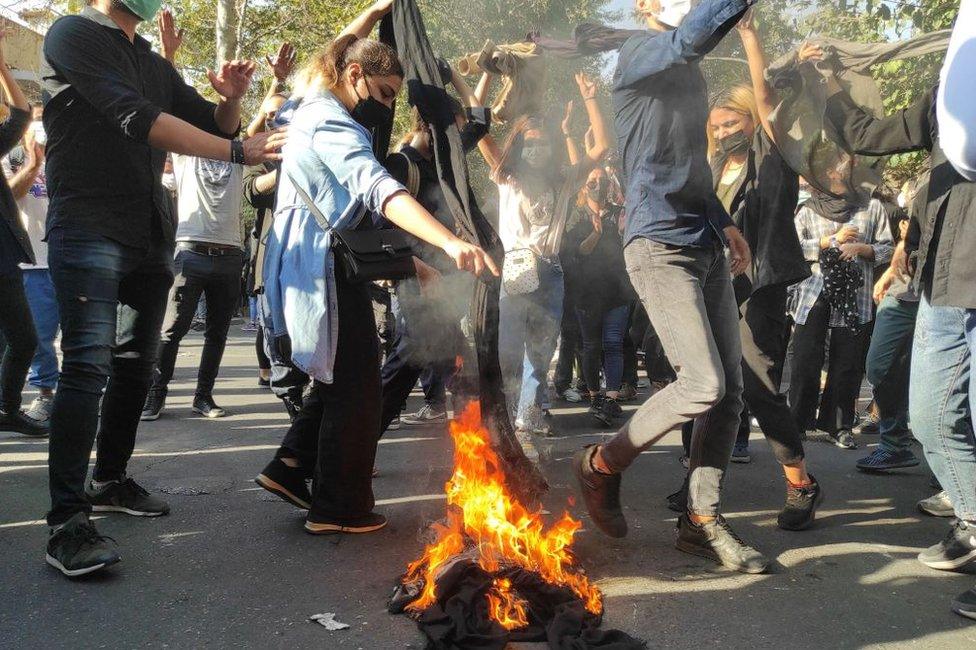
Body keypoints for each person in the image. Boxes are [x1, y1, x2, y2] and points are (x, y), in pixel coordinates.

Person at [40, 0, 283, 577]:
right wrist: (236, 151)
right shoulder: (73, 34)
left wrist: (229, 100)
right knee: (85, 368)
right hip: (89, 223)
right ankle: (66, 524)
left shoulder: (150, 59)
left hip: (149, 231)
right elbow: (136, 118)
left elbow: (212, 123)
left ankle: (110, 479)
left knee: (134, 363)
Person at [256, 15, 498, 535]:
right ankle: (338, 510)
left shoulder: (317, 105)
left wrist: (413, 263)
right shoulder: (330, 119)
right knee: (359, 387)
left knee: (343, 374)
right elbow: (377, 191)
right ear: (356, 74)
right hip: (321, 265)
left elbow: (337, 45)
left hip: (324, 259)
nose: (387, 107)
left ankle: (290, 468)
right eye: (385, 93)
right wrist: (449, 242)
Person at [573, 0, 766, 575]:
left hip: (703, 244)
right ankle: (601, 464)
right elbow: (691, 37)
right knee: (702, 383)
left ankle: (699, 521)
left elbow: (692, 170)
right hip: (658, 244)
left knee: (730, 392)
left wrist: (726, 224)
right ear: (646, 6)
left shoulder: (688, 70)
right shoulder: (639, 53)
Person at [820, 38, 976, 619]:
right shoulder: (952, 94)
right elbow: (869, 135)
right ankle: (971, 521)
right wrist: (832, 82)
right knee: (933, 419)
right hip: (943, 283)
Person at [670, 11, 824, 531]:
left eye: (731, 123)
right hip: (716, 282)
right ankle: (698, 486)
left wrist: (750, 37)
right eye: (716, 127)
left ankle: (800, 481)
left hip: (762, 283)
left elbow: (765, 100)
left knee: (757, 385)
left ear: (751, 123)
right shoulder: (713, 168)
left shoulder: (772, 153)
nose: (723, 131)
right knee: (703, 380)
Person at [476, 72, 609, 441]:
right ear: (520, 146)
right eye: (530, 143)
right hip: (514, 271)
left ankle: (527, 422)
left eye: (543, 143)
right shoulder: (507, 177)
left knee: (540, 353)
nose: (537, 149)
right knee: (507, 353)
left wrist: (590, 99)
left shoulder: (565, 181)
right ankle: (502, 418)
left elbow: (601, 147)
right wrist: (482, 75)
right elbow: (475, 126)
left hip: (550, 273)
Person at [377, 65, 491, 434]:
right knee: (408, 360)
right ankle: (356, 442)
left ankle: (476, 440)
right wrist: (422, 271)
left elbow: (480, 120)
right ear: (428, 126)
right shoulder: (399, 166)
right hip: (418, 283)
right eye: (450, 131)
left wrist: (457, 77)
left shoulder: (444, 159)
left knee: (452, 360)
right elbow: (383, 233)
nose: (458, 139)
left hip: (448, 283)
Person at [788, 179, 893, 450]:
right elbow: (791, 246)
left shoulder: (872, 206)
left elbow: (888, 248)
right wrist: (828, 242)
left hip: (856, 294)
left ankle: (839, 425)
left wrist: (863, 249)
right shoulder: (809, 208)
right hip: (813, 291)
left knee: (848, 361)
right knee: (805, 356)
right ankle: (798, 422)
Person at [0, 29, 47, 438]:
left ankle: (7, 409)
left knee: (23, 339)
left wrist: (1, 65)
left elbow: (19, 113)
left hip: (4, 260)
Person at [561, 164, 632, 427]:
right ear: (584, 185)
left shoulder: (619, 214)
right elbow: (579, 252)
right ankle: (595, 397)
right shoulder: (576, 216)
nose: (598, 184)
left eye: (602, 180)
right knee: (590, 347)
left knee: (613, 344)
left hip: (617, 292)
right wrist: (597, 233)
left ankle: (611, 399)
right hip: (586, 294)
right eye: (592, 179)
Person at [3, 105, 59, 424]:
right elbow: (7, 199)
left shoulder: (69, 155)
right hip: (33, 263)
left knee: (83, 333)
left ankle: (86, 394)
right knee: (38, 337)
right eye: (36, 121)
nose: (41, 127)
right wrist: (33, 164)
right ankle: (45, 393)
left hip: (68, 259)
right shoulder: (11, 159)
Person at [856, 204, 921, 471]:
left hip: (943, 296)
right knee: (878, 366)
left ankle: (953, 469)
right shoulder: (928, 183)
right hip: (902, 293)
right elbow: (910, 237)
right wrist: (890, 272)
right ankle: (894, 444)